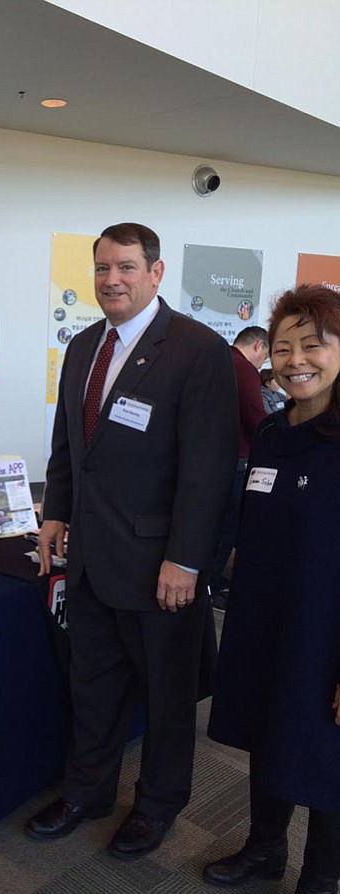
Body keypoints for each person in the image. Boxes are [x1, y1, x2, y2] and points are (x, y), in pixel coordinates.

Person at [25, 223, 238, 859]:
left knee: (168, 701)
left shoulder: (199, 350)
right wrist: (56, 512)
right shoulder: (84, 345)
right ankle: (87, 790)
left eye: (124, 268)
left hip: (160, 569)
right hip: (91, 560)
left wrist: (187, 559)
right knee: (93, 686)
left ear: (156, 273)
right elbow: (70, 445)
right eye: (101, 269)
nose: (111, 280)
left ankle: (157, 806)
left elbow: (209, 469)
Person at [203, 284, 340, 894]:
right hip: (263, 619)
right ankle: (265, 849)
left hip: (326, 631)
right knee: (267, 730)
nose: (296, 361)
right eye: (283, 348)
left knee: (324, 753)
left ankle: (323, 874)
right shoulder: (271, 432)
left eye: (313, 345)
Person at [209, 326, 269, 608]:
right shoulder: (243, 369)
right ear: (258, 345)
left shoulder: (216, 360)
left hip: (214, 459)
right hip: (236, 462)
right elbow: (257, 418)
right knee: (227, 528)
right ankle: (212, 585)